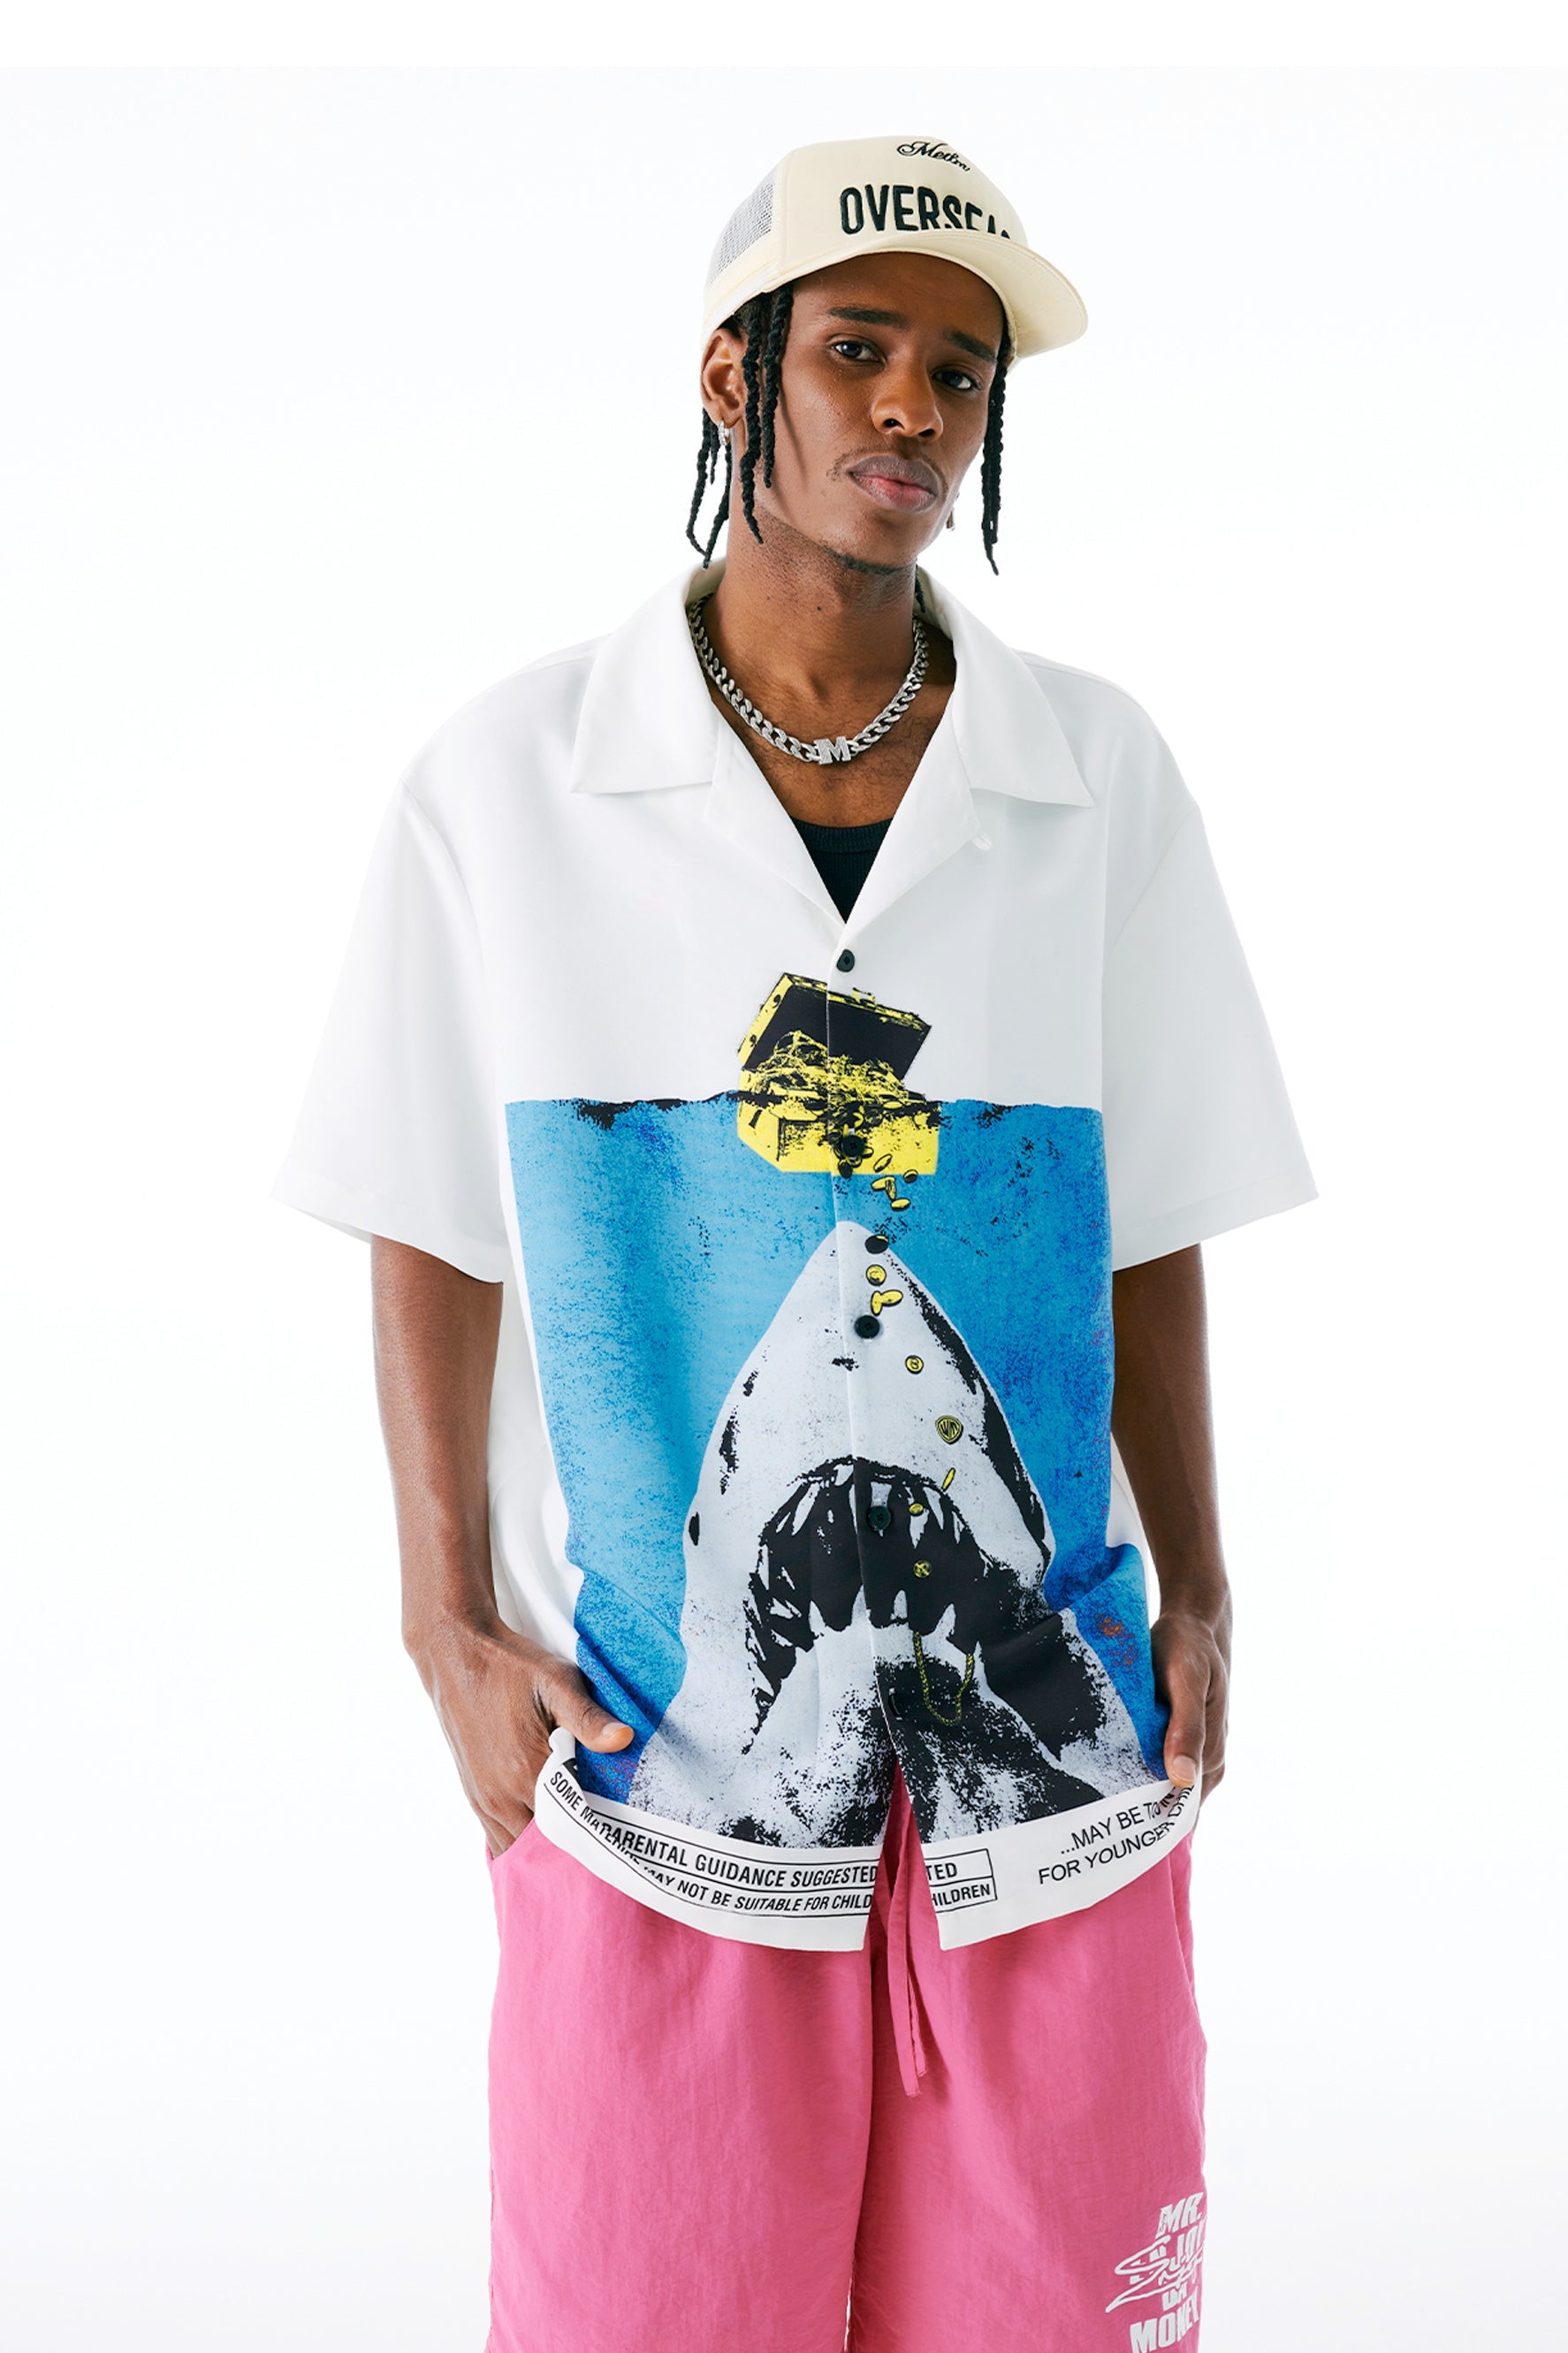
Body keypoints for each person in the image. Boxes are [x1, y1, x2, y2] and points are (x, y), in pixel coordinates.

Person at [276, 133, 1314, 2353]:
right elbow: (426, 1212)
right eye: (856, 349)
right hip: (644, 1764)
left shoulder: (1090, 776)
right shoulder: (507, 784)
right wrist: (440, 1615)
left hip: (1058, 1775)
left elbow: (1145, 1213)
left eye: (958, 369)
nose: (912, 406)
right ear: (729, 376)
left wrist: (1208, 1579)